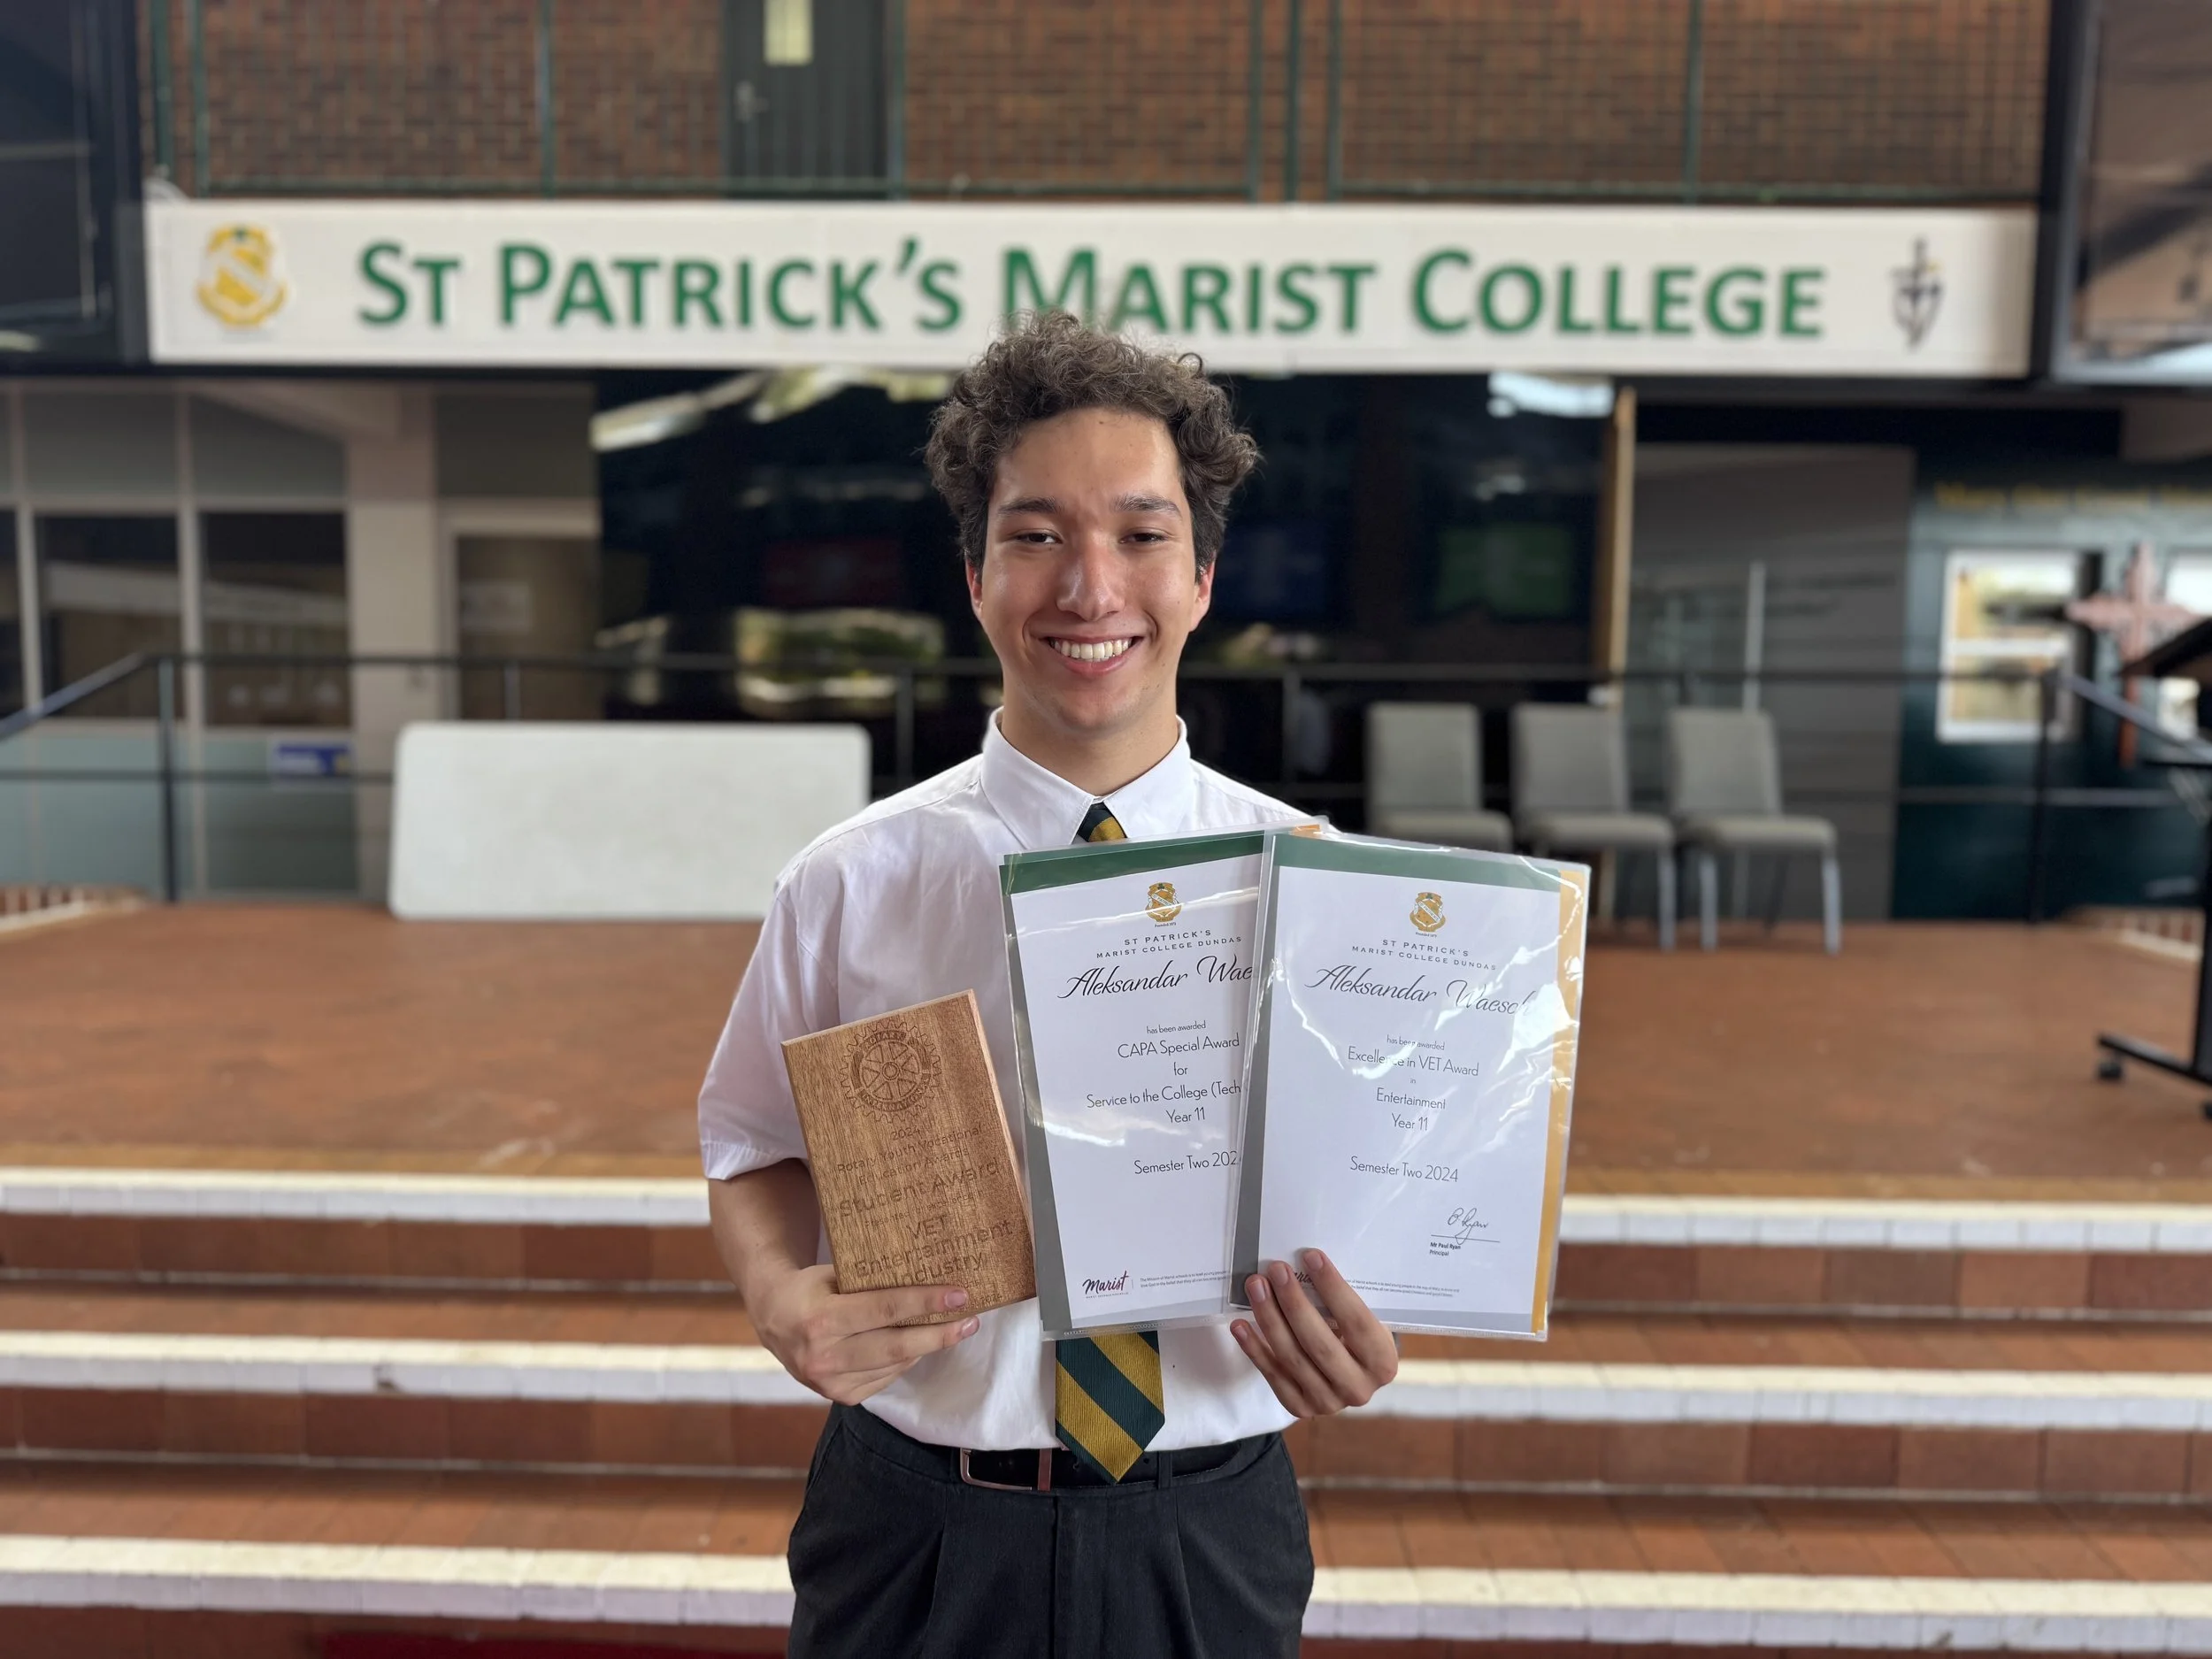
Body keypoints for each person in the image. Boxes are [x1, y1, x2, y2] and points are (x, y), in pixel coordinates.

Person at [698, 311, 1399, 1658]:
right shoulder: (851, 881)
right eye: (1035, 534)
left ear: (1202, 576)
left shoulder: (1320, 890)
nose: (1090, 586)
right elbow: (750, 1143)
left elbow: (1375, 1198)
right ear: (974, 574)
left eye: (1141, 534)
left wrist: (1364, 1327)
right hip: (918, 1518)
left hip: (1206, 1521)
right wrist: (782, 1294)